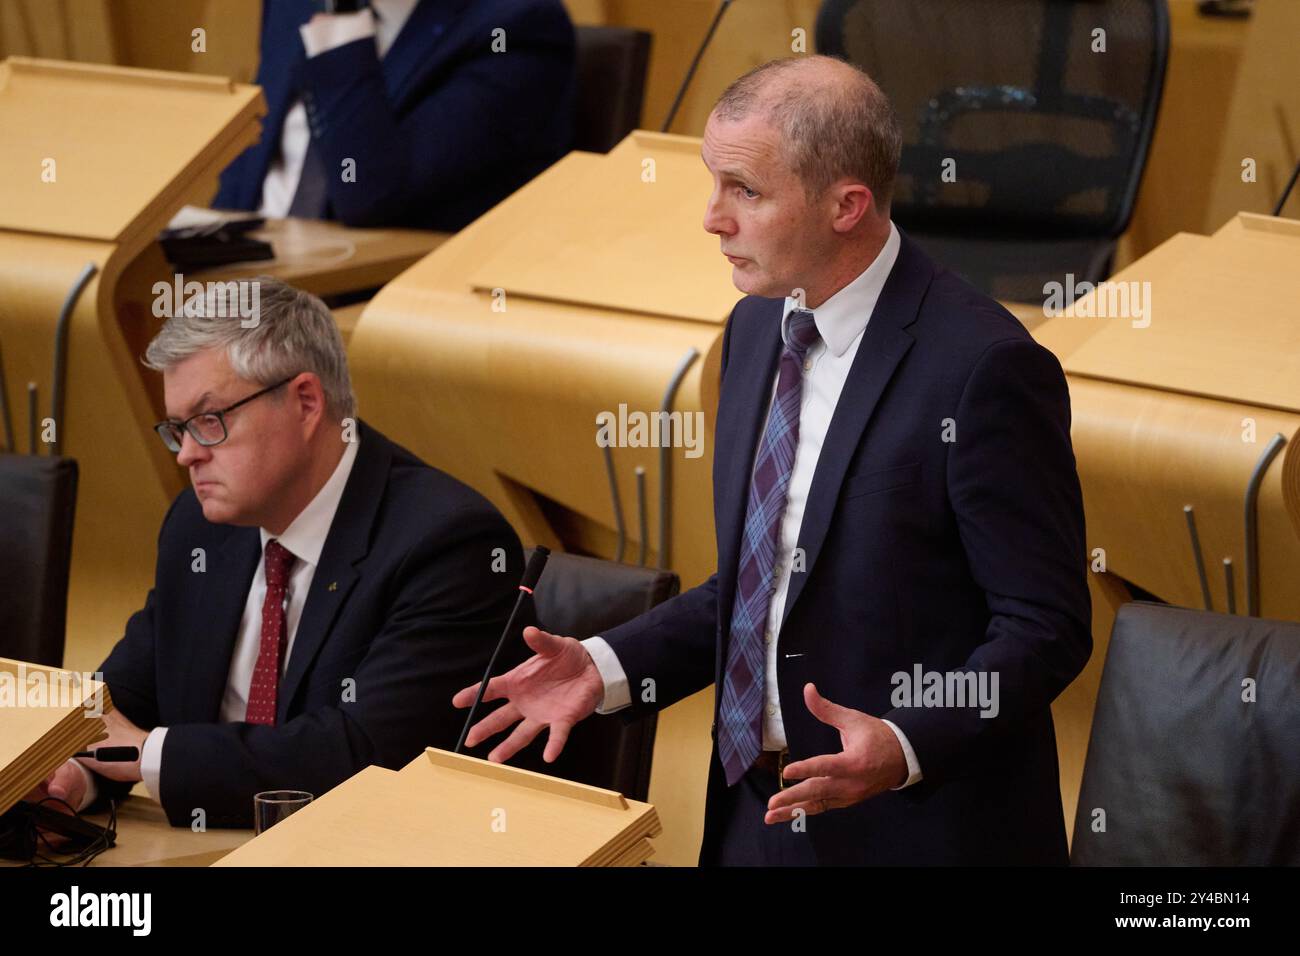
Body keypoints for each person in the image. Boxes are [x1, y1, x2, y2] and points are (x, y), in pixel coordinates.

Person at [455, 56, 1092, 865]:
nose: (713, 219)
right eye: (711, 184)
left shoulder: (984, 368)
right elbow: (756, 588)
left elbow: (1047, 627)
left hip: (920, 831)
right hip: (755, 816)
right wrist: (605, 666)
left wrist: (905, 742)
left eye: (745, 191)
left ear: (846, 205)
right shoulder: (756, 331)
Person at [30, 278, 528, 827]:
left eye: (209, 420)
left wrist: (146, 756)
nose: (187, 455)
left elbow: (366, 758)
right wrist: (76, 778)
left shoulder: (448, 543)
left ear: (306, 402)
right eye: (178, 429)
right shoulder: (199, 527)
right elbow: (127, 697)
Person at [213, 0, 576, 231]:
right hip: (237, 280)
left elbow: (370, 195)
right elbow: (249, 161)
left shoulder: (517, 26)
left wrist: (341, 25)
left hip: (359, 304)